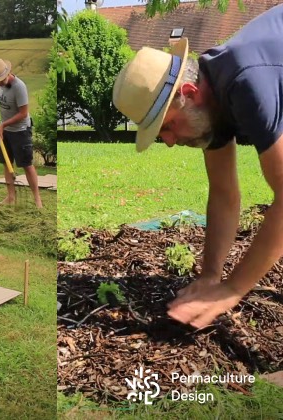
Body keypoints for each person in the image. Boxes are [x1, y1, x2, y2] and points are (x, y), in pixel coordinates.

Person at [112, 4, 283, 329]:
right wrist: (210, 276)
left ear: (189, 93)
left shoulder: (246, 82)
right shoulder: (212, 102)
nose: (172, 142)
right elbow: (223, 194)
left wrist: (231, 290)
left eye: (168, 127)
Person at [0, 58, 43, 208]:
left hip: (20, 131)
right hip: (5, 131)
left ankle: (37, 199)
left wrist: (3, 124)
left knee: (27, 164)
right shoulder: (1, 84)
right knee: (7, 164)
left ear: (8, 73)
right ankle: (10, 197)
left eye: (1, 80)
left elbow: (23, 113)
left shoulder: (19, 87)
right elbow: (1, 94)